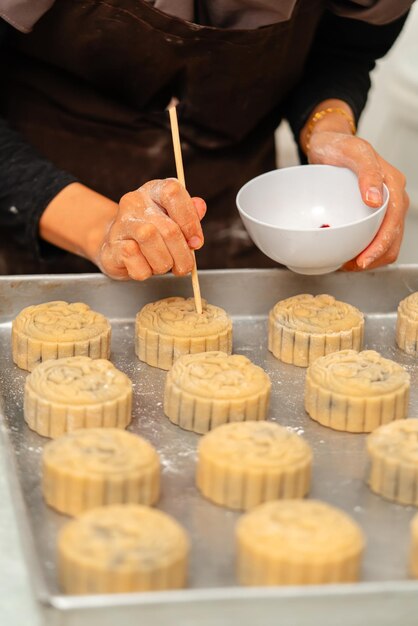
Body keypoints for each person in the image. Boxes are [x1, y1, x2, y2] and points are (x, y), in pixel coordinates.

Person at [0, 0, 412, 279]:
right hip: (38, 183)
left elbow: (344, 49)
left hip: (231, 200)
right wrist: (99, 228)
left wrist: (327, 126)